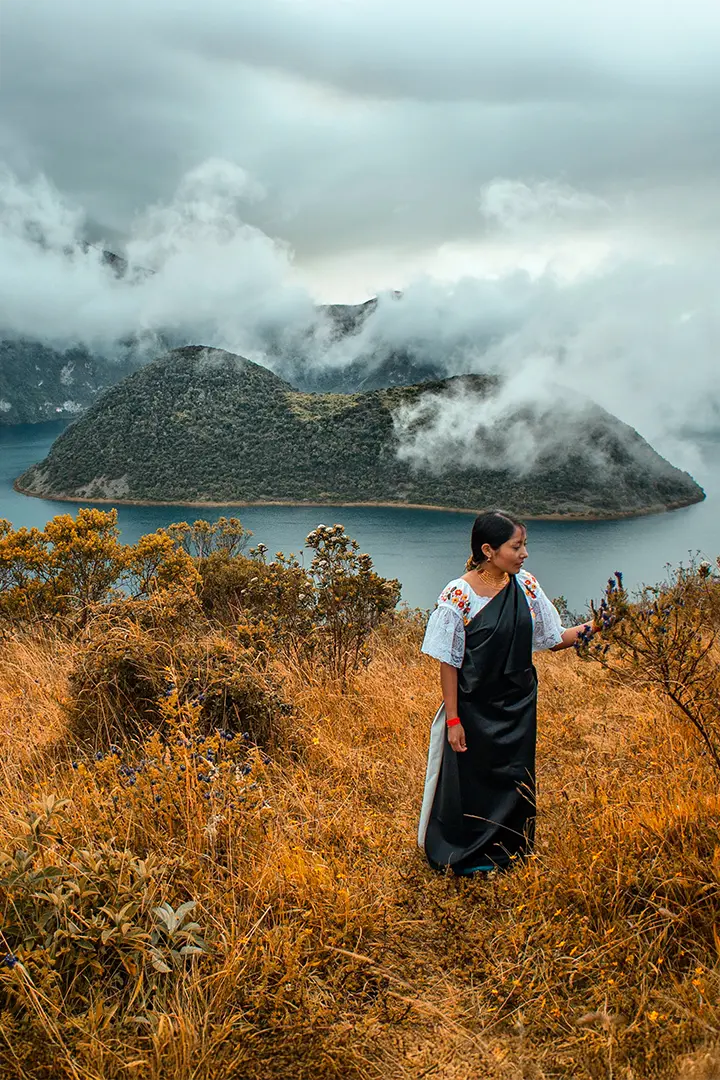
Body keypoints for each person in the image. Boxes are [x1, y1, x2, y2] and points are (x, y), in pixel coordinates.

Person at [418, 509, 596, 876]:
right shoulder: (459, 595)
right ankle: (465, 853)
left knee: (516, 777)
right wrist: (453, 720)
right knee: (473, 781)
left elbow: (554, 639)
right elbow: (449, 662)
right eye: (516, 547)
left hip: (518, 704)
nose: (524, 554)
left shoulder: (525, 585)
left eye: (524, 545)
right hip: (474, 707)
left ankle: (511, 850)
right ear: (488, 550)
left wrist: (601, 624)